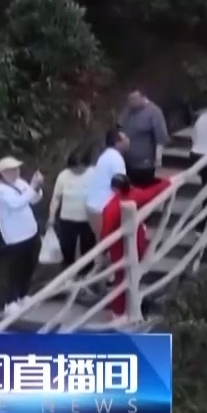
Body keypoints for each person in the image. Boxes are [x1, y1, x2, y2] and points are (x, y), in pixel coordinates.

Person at [100, 173, 172, 321]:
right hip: (138, 243)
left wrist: (103, 251)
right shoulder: (137, 195)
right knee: (132, 277)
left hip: (120, 249)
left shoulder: (111, 208)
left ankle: (119, 314)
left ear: (115, 188)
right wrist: (165, 181)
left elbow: (106, 234)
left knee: (120, 280)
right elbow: (156, 190)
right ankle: (131, 310)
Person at [0, 156, 45, 311]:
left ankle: (23, 296)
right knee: (15, 269)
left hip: (31, 231)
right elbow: (16, 203)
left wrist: (36, 187)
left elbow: (33, 200)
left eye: (17, 168)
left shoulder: (21, 182)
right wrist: (32, 187)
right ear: (3, 173)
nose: (16, 172)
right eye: (12, 170)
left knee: (28, 266)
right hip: (15, 237)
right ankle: (10, 302)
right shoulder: (0, 190)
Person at [47, 149, 95, 267]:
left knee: (88, 250)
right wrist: (51, 217)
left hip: (88, 220)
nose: (76, 171)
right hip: (67, 219)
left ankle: (86, 274)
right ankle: (68, 273)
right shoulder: (63, 176)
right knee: (67, 249)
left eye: (80, 168)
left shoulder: (94, 173)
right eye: (74, 168)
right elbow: (56, 198)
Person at [119, 90, 168, 186]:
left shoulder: (154, 112)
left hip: (145, 163)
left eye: (134, 99)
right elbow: (120, 129)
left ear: (143, 98)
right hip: (127, 163)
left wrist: (158, 158)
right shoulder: (128, 111)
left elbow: (161, 137)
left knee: (143, 190)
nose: (131, 102)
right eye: (129, 99)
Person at [86, 128, 129, 237]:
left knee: (102, 244)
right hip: (103, 209)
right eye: (125, 138)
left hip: (93, 207)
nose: (128, 140)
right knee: (107, 246)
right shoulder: (116, 159)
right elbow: (119, 185)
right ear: (117, 142)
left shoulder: (105, 155)